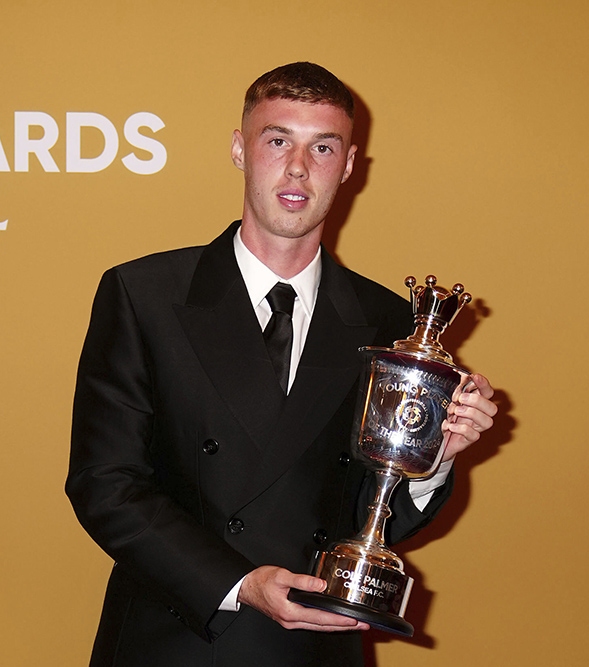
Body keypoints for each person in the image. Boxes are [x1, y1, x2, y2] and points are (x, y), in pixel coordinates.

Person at [67, 62, 497, 667]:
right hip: (175, 639)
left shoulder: (388, 323)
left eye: (322, 147)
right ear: (241, 150)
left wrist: (433, 459)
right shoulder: (144, 294)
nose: (298, 168)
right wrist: (240, 584)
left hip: (314, 649)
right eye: (278, 141)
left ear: (348, 166)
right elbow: (105, 483)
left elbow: (376, 526)